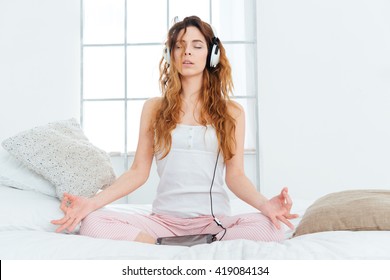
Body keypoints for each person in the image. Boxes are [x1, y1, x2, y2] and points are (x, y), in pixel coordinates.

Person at [51, 16, 298, 244]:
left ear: (212, 54)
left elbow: (236, 176)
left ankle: (198, 243)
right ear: (170, 55)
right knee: (93, 222)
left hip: (214, 223)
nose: (187, 51)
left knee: (272, 229)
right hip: (164, 222)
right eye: (179, 46)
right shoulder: (154, 108)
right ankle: (165, 245)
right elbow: (138, 172)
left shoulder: (232, 112)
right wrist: (91, 204)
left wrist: (266, 205)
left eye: (197, 45)